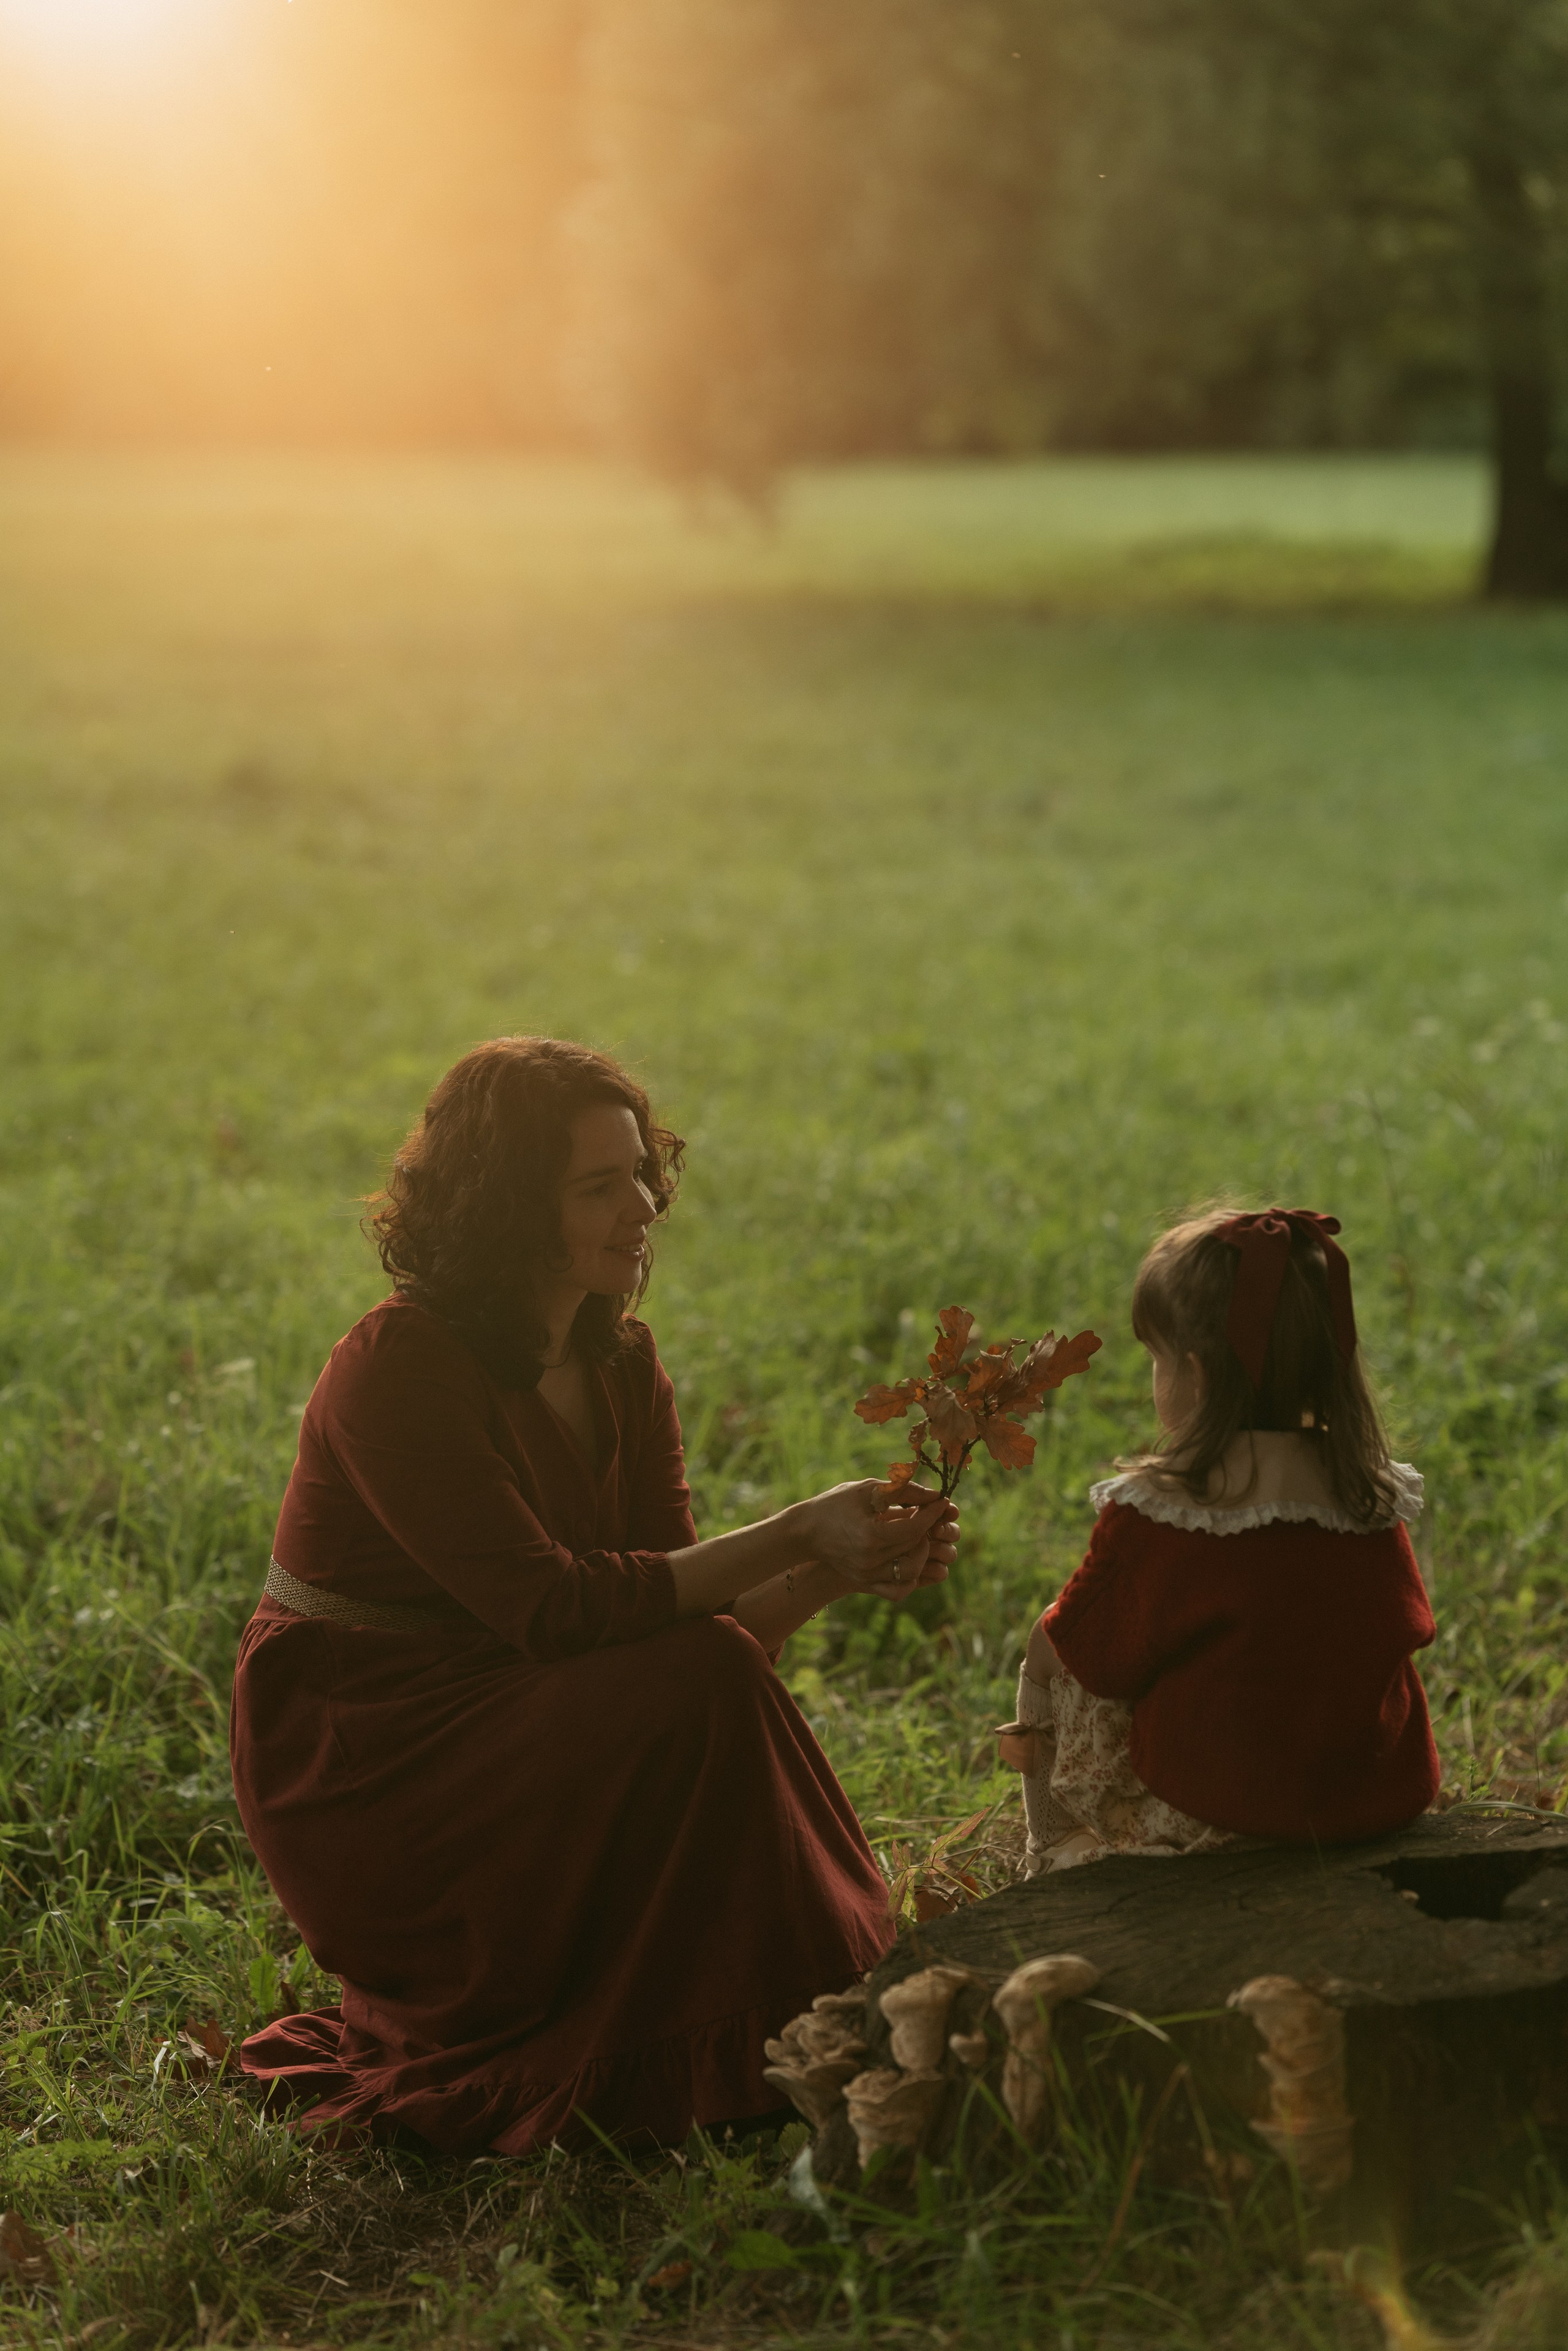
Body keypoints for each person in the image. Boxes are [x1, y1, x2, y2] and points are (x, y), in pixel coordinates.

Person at [230, 1035, 957, 2154]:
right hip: (371, 1751)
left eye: (641, 1172)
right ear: (507, 1206)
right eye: (599, 1185)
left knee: (703, 1668)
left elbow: (680, 1635)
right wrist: (798, 1522)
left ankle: (806, 2006)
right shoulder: (398, 1366)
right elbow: (558, 1613)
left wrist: (832, 1568)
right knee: (700, 1667)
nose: (645, 1204)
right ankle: (809, 2009)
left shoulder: (620, 1361)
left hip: (517, 1701)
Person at [1006, 1206, 1438, 1873]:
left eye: (1156, 1358)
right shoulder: (1368, 1492)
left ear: (1197, 1373)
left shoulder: (1167, 1511)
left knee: (1055, 1637)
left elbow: (1098, 1658)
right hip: (1366, 1797)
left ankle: (1051, 1847)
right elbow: (1400, 1622)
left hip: (1215, 1817)